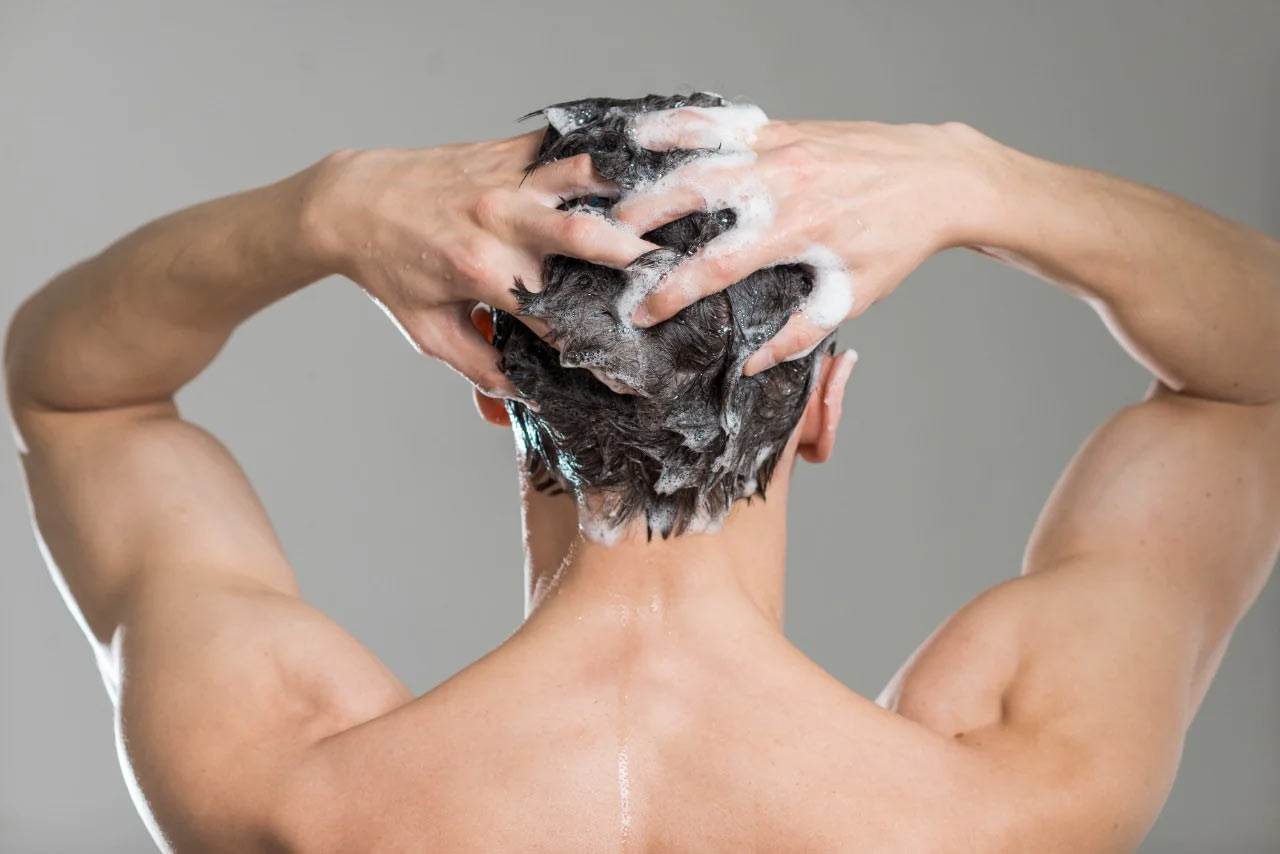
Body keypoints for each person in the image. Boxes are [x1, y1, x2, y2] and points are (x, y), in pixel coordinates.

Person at [5, 92, 1278, 852]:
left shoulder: (299, 779)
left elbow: (76, 389)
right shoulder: (1000, 791)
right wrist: (979, 178)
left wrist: (323, 208)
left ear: (492, 396)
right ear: (822, 407)